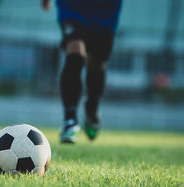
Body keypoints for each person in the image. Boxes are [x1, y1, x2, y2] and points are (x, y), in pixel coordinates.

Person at [42, 0, 123, 143]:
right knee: (75, 54)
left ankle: (92, 107)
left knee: (96, 64)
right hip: (73, 6)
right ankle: (70, 119)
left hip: (105, 11)